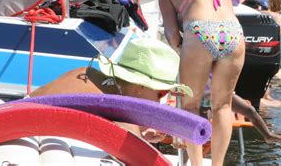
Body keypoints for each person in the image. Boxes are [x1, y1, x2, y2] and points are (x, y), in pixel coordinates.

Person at [159, 0, 245, 166]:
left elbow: (172, 36)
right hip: (234, 33)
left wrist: (186, 52)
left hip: (200, 31)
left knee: (190, 105)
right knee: (223, 106)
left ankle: (196, 165)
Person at [29, 38, 193, 142]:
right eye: (160, 94)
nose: (159, 102)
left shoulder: (86, 72)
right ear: (140, 86)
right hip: (25, 133)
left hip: (18, 116)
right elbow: (138, 155)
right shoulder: (117, 106)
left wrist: (141, 135)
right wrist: (139, 137)